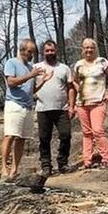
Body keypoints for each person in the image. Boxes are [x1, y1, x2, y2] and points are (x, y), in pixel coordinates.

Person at [0, 39, 51, 180]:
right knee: (10, 135)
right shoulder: (12, 63)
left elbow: (31, 90)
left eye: (33, 52)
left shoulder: (30, 67)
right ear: (22, 50)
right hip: (14, 104)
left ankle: (15, 170)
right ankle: (4, 168)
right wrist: (31, 75)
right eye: (30, 52)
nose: (31, 55)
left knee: (22, 138)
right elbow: (11, 82)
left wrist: (43, 81)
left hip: (27, 106)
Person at [72, 38, 108, 169]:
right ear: (82, 49)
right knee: (86, 133)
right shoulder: (78, 64)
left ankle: (106, 159)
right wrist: (79, 90)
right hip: (82, 103)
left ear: (95, 49)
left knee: (98, 130)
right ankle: (87, 160)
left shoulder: (102, 62)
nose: (89, 50)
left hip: (98, 102)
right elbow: (74, 81)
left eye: (91, 47)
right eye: (86, 48)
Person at [34, 40, 76, 177]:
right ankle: (46, 166)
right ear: (43, 52)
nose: (50, 53)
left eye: (52, 50)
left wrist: (71, 106)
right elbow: (31, 88)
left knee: (66, 135)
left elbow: (70, 88)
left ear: (56, 51)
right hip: (43, 109)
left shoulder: (64, 68)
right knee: (44, 138)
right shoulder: (36, 68)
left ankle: (63, 163)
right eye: (47, 50)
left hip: (62, 109)